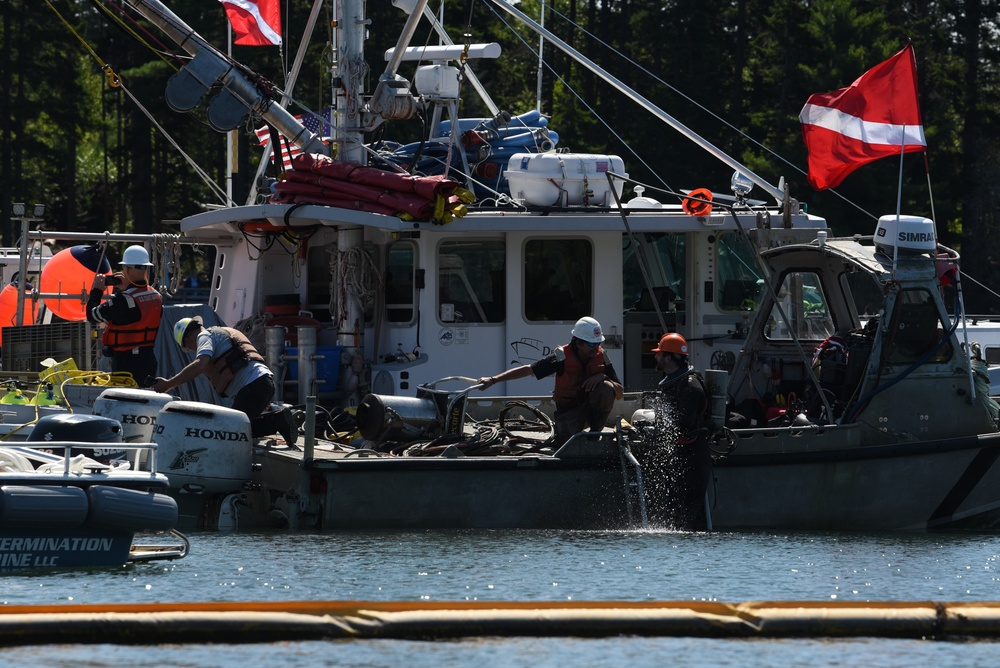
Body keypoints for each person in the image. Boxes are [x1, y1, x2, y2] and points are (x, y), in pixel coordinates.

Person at [151, 316, 298, 447]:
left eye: (189, 348)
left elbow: (200, 364)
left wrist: (168, 384)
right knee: (237, 429)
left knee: (230, 433)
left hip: (253, 386)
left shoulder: (204, 336)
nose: (192, 349)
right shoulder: (221, 333)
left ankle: (278, 420)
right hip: (263, 382)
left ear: (188, 340)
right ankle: (278, 419)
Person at [478, 316, 624, 445]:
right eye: (591, 344)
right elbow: (529, 369)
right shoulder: (561, 357)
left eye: (598, 343)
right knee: (568, 439)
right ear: (579, 343)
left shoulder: (602, 357)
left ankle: (594, 435)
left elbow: (619, 393)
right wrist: (493, 380)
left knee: (606, 387)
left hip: (592, 413)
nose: (596, 348)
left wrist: (603, 377)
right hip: (569, 413)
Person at [648, 332, 712, 530]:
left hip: (692, 460)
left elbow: (682, 422)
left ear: (669, 358)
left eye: (659, 354)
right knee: (675, 510)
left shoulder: (690, 387)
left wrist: (656, 430)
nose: (656, 357)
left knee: (689, 518)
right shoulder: (677, 383)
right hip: (682, 457)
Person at [86, 245, 162, 387]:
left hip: (127, 364)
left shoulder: (124, 300)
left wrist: (96, 291)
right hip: (148, 360)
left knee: (125, 401)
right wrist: (127, 287)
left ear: (126, 269)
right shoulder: (156, 296)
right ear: (145, 268)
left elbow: (92, 315)